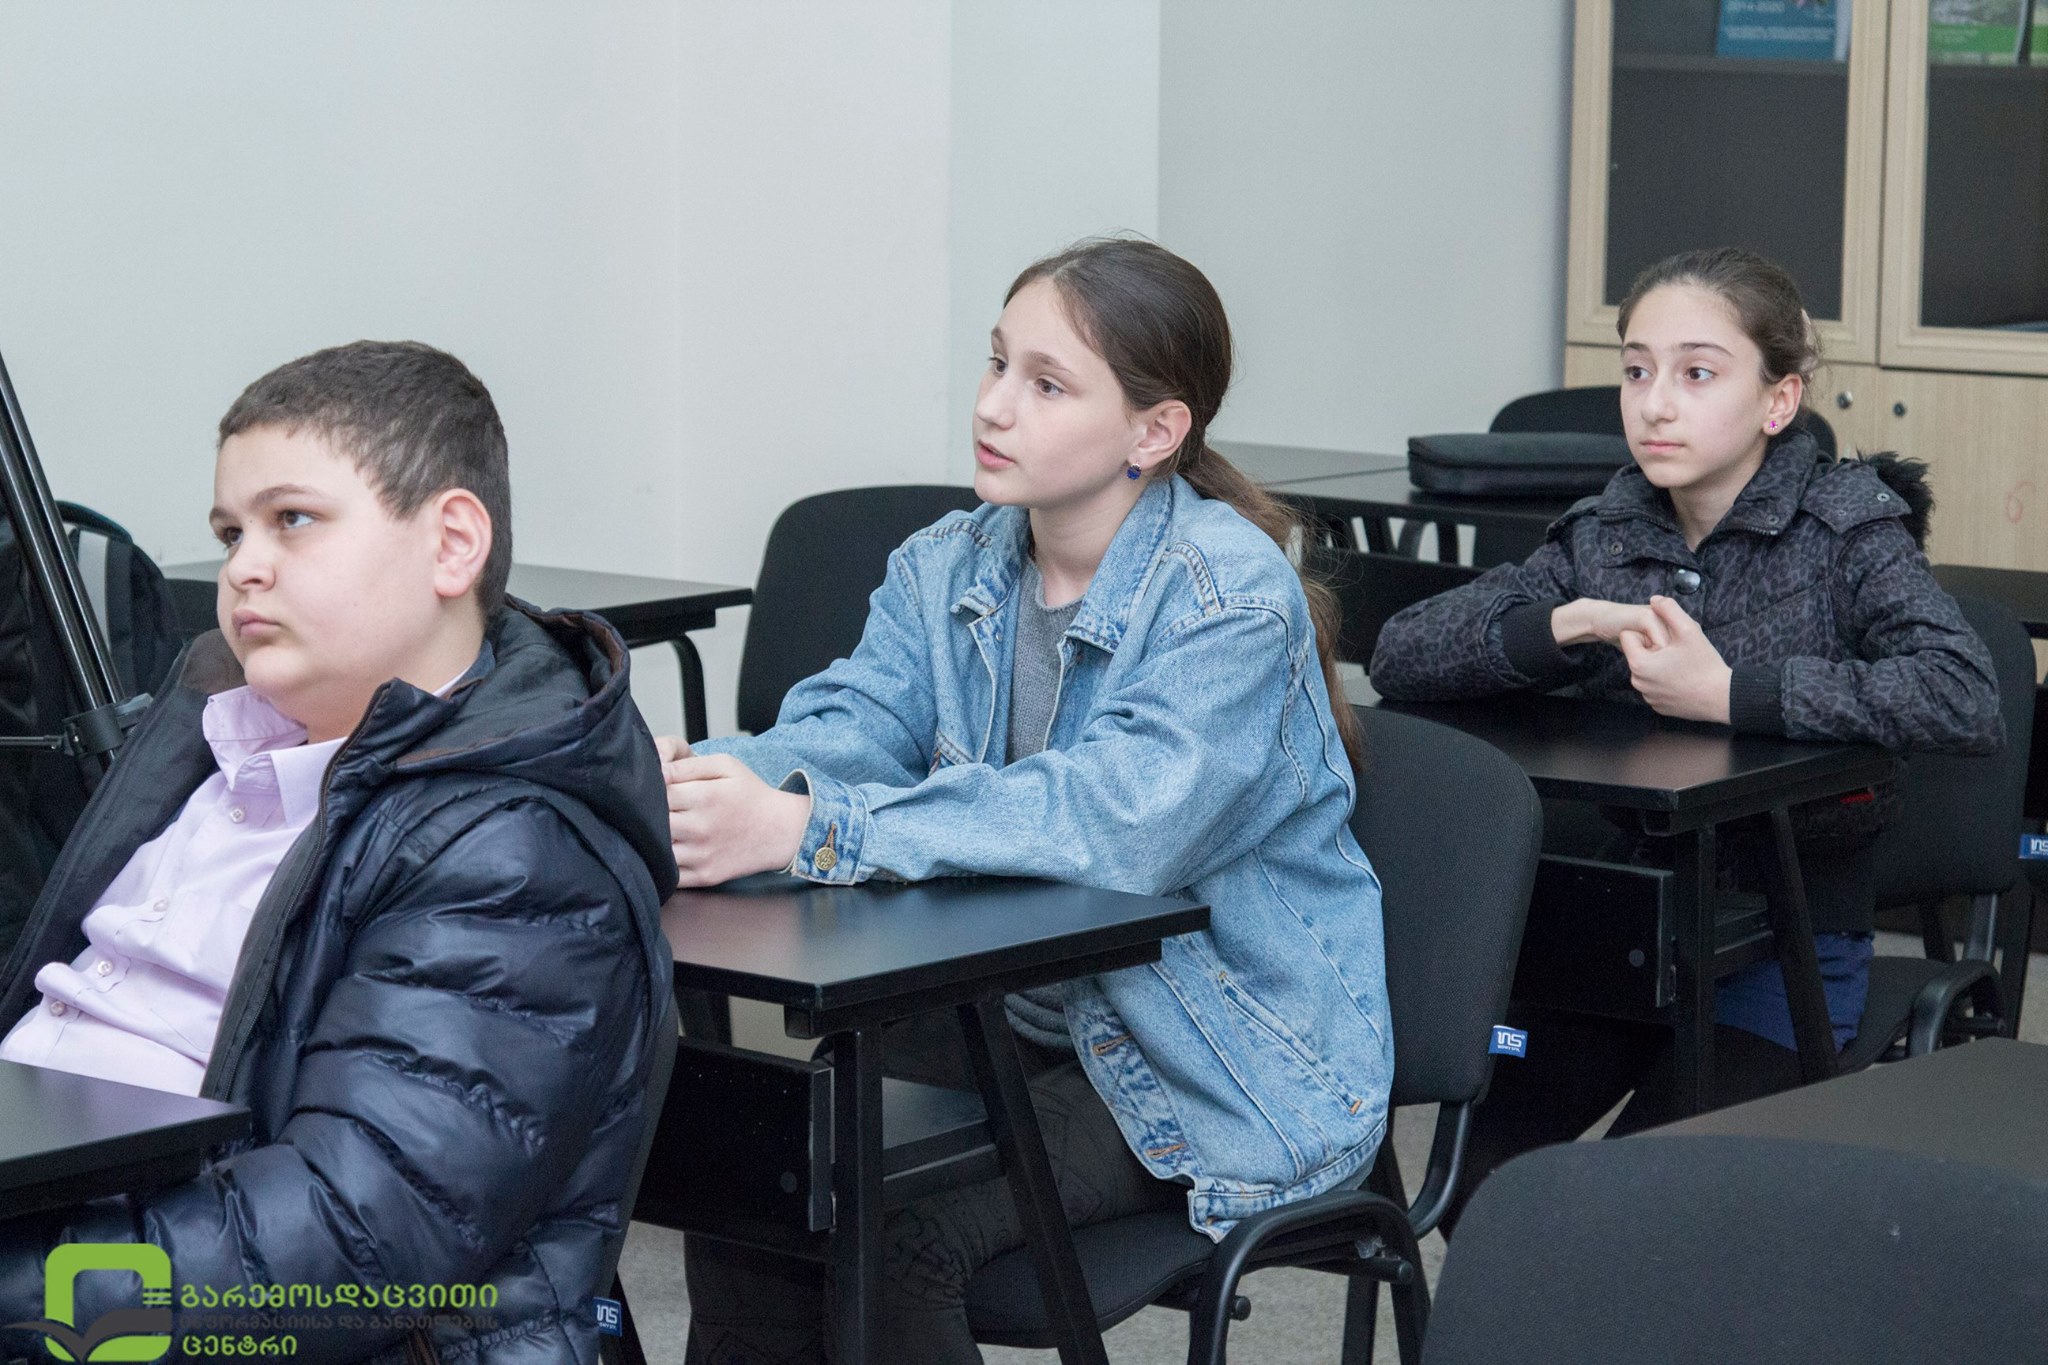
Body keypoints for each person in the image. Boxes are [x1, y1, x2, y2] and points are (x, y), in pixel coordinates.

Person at [661, 238, 1392, 1364]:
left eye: (1047, 385)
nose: (994, 405)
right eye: (998, 363)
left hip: (1202, 1052)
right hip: (997, 1010)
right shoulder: (948, 561)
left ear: (1154, 432)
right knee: (757, 1188)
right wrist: (695, 781)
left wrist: (817, 826)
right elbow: (854, 725)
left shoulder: (1229, 597)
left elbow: (1112, 823)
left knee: (898, 1238)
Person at [0, 341, 677, 1365]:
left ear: (452, 544)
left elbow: (350, 1241)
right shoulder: (210, 745)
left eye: (293, 520)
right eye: (231, 531)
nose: (243, 565)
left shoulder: (514, 854)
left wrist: (27, 1300)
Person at [1370, 246, 2002, 1219]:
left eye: (1697, 373)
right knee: (1480, 1187)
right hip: (1625, 938)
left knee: (1638, 1212)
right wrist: (1564, 622)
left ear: (1777, 400)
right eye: (1636, 371)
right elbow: (1401, 653)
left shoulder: (1845, 530)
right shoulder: (1605, 529)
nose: (1655, 404)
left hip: (1783, 948)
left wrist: (1733, 694)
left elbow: (1961, 694)